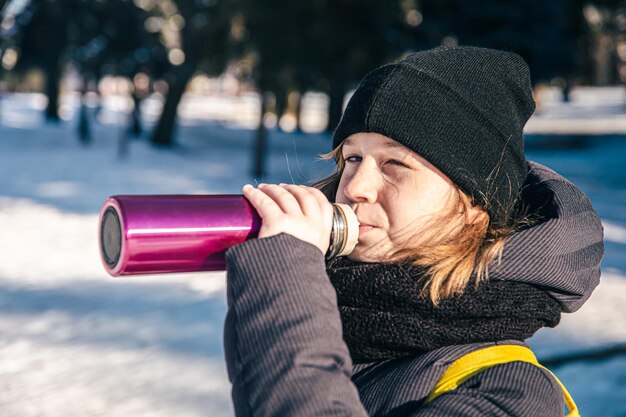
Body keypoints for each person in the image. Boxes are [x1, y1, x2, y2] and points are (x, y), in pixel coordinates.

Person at [223, 46, 604, 416]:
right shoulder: (338, 323)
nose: (354, 186)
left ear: (474, 204)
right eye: (353, 157)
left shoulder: (513, 395)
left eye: (394, 164)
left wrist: (288, 288)